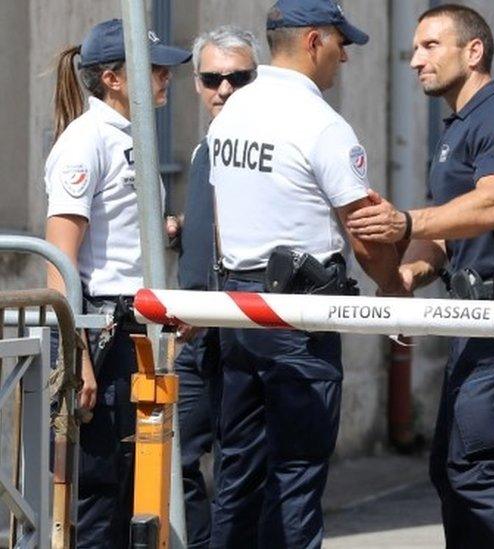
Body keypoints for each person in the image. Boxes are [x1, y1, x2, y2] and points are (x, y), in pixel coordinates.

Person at [346, 5, 494, 547]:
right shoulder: (460, 127)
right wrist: (405, 278)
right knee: (453, 471)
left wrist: (405, 220)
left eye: (429, 47)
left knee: (477, 468)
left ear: (473, 53)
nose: (415, 59)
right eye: (415, 47)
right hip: (476, 318)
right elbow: (449, 235)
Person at [205, 1, 404, 546]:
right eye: (342, 43)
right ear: (315, 41)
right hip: (297, 316)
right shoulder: (321, 124)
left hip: (238, 309)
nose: (346, 57)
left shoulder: (231, 114)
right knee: (296, 470)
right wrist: (392, 285)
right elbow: (364, 230)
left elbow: (223, 214)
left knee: (238, 472)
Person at [44, 18, 190, 548]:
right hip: (101, 329)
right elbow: (60, 255)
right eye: (153, 70)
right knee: (100, 486)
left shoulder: (132, 139)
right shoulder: (86, 141)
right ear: (112, 77)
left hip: (138, 326)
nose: (165, 79)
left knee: (136, 481)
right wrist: (75, 351)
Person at [174, 25, 259, 549]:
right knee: (173, 454)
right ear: (197, 84)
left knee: (238, 463)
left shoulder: (262, 144)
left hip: (241, 326)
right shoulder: (203, 146)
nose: (224, 89)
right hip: (192, 328)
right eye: (211, 78)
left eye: (238, 78)